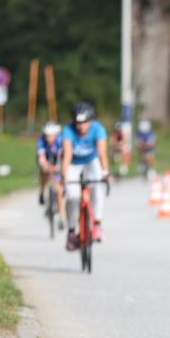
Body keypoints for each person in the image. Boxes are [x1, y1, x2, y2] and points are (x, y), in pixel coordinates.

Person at [61, 102, 109, 250]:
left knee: (97, 188)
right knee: (72, 196)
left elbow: (101, 153)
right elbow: (67, 155)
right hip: (74, 163)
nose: (80, 126)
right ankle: (71, 232)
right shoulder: (68, 131)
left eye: (84, 123)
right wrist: (64, 177)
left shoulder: (98, 129)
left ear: (91, 121)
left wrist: (105, 173)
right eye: (77, 123)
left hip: (91, 161)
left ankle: (97, 223)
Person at [37, 121, 66, 229]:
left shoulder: (60, 141)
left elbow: (63, 158)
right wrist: (45, 166)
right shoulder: (41, 141)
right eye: (47, 136)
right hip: (47, 160)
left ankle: (62, 218)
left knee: (59, 190)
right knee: (44, 172)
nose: (49, 138)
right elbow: (41, 157)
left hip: (58, 161)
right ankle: (42, 192)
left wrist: (59, 168)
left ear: (56, 135)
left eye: (51, 136)